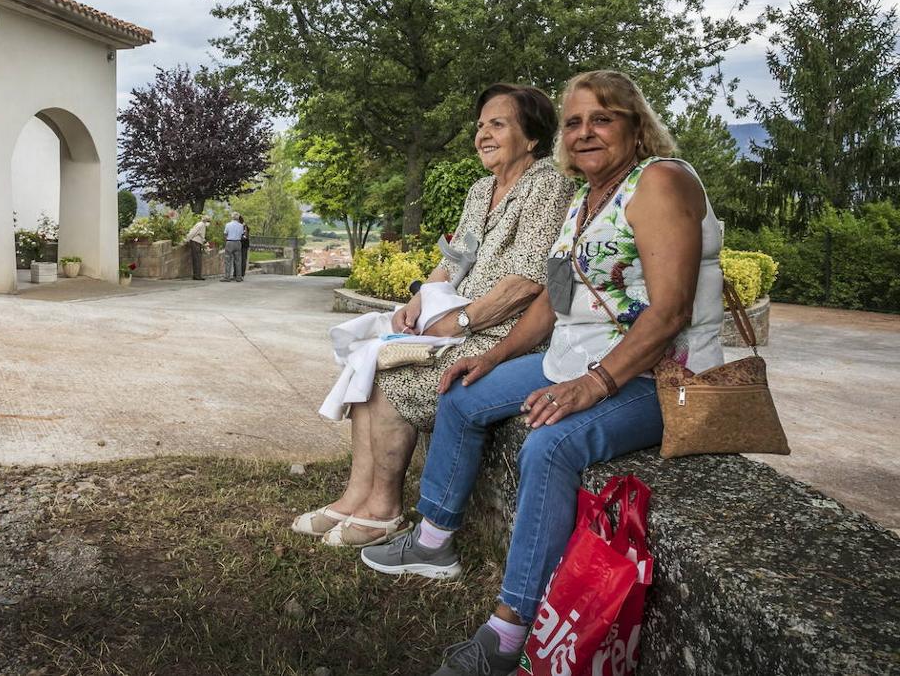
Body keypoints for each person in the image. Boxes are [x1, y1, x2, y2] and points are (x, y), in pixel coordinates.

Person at [359, 70, 725, 676]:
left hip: (658, 379)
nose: (585, 132)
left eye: (602, 118)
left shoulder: (660, 181)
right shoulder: (584, 200)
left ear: (636, 126)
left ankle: (509, 631)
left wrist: (594, 384)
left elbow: (670, 311)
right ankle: (432, 541)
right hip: (572, 363)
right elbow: (552, 301)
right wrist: (494, 356)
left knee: (549, 445)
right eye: (575, 121)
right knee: (466, 391)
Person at [292, 84, 579, 547]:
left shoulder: (549, 184)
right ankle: (355, 497)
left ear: (531, 138)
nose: (483, 134)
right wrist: (420, 299)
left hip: (504, 335)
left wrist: (462, 322)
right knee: (370, 362)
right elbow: (456, 256)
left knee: (394, 384)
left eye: (498, 124)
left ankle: (385, 511)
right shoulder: (481, 188)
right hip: (454, 328)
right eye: (481, 125)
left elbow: (528, 281)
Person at [185, 215, 210, 280]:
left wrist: (204, 242)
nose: (209, 223)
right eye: (208, 221)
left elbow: (201, 235)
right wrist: (187, 239)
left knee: (197, 259)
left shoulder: (202, 225)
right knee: (197, 259)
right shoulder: (201, 225)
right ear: (206, 221)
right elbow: (193, 232)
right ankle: (197, 276)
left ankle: (197, 275)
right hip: (195, 242)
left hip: (197, 242)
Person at [221, 212, 245, 282]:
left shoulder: (228, 224)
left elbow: (225, 234)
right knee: (238, 260)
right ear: (238, 217)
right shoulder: (241, 226)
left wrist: (226, 241)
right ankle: (238, 277)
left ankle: (227, 277)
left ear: (232, 217)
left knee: (227, 260)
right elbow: (242, 234)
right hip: (238, 242)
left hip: (230, 242)